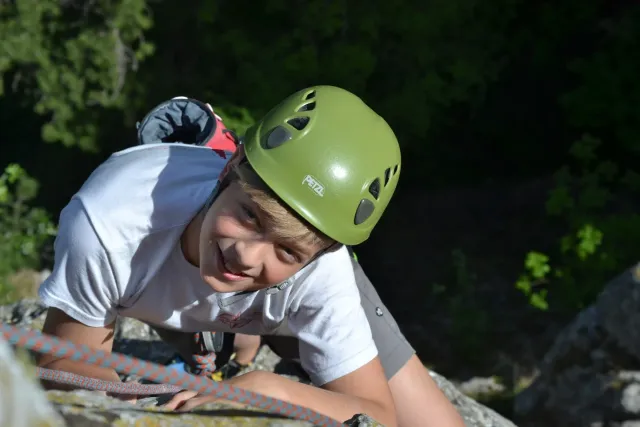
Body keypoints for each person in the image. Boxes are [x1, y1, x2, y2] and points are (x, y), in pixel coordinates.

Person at [36, 86, 465, 427]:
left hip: (287, 301)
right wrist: (125, 404)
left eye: (286, 248)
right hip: (191, 278)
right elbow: (61, 361)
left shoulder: (324, 270)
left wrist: (271, 390)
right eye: (250, 216)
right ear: (230, 166)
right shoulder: (111, 220)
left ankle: (238, 335)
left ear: (328, 250)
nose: (245, 255)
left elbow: (378, 415)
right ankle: (230, 335)